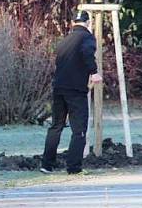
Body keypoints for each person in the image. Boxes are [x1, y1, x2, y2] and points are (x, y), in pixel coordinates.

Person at [40, 10, 102, 175]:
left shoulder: (64, 41)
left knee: (56, 126)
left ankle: (46, 164)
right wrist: (94, 72)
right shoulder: (87, 37)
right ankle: (74, 167)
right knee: (79, 129)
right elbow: (87, 53)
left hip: (58, 88)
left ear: (73, 23)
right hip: (75, 90)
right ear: (88, 23)